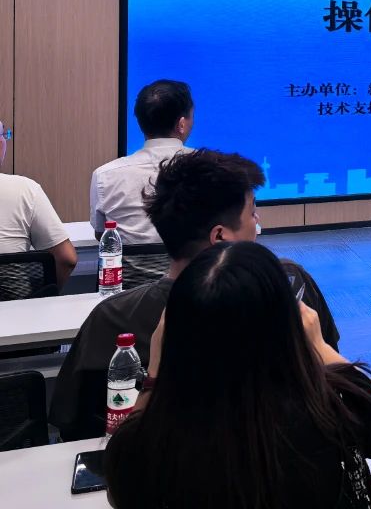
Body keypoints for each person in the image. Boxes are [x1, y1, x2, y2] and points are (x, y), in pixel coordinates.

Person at [51, 148, 339, 441]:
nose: (257, 222)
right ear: (220, 237)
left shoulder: (112, 318)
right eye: (252, 213)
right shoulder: (290, 292)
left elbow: (74, 427)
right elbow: (339, 390)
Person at [104, 241, 371, 509]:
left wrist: (156, 370)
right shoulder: (328, 412)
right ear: (286, 328)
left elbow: (121, 482)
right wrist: (321, 348)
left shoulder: (149, 449)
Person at [90, 80, 194, 244]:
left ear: (140, 123)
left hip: (129, 262)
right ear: (181, 124)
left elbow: (103, 235)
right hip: (195, 262)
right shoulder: (211, 168)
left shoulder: (104, 176)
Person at [0, 121, 76, 289]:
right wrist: (46, 297)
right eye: (5, 135)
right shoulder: (25, 189)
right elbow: (66, 259)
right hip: (16, 304)